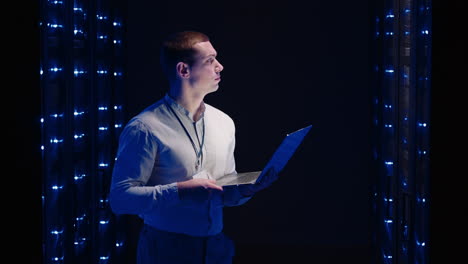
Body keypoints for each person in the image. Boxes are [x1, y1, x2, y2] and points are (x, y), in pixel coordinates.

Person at [109, 30, 278, 264]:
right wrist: (180, 190)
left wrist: (246, 189)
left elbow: (222, 193)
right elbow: (119, 199)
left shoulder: (224, 122)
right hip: (165, 249)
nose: (220, 66)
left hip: (216, 247)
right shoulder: (144, 127)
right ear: (183, 70)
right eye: (210, 61)